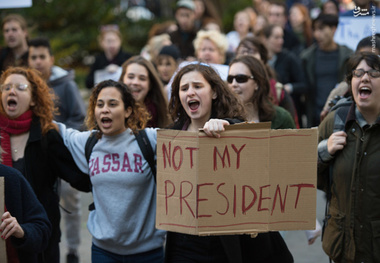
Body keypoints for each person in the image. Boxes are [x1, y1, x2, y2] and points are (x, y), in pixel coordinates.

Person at [165, 62, 294, 263]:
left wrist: (228, 129)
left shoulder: (233, 129)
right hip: (184, 246)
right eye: (184, 88)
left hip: (225, 246)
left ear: (214, 92)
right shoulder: (171, 138)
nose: (190, 92)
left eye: (197, 87)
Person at [0, 67, 91, 263]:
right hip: (3, 241)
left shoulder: (46, 136)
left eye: (20, 87)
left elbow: (79, 179)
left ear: (33, 99)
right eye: (6, 87)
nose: (11, 91)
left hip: (41, 236)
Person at [317, 52, 380, 262]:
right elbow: (303, 176)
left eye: (373, 73)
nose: (364, 78)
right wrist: (324, 152)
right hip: (343, 248)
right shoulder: (335, 120)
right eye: (358, 73)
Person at [28, 37, 86, 263]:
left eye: (42, 57)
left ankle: (72, 249)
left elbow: (80, 118)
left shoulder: (66, 84)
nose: (38, 61)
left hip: (63, 154)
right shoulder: (25, 85)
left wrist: (57, 133)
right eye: (34, 57)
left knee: (71, 205)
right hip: (37, 158)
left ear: (51, 59)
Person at [301, 14, 353, 127]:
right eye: (314, 30)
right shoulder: (307, 57)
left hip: (341, 113)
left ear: (333, 29)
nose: (316, 34)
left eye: (321, 29)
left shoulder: (348, 55)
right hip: (315, 114)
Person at [235, 36, 299, 127]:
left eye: (251, 52)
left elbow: (293, 129)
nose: (246, 56)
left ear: (262, 59)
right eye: (242, 52)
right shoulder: (229, 86)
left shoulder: (277, 90)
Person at [320, 34, 380, 121]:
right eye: (362, 57)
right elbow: (325, 121)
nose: (365, 78)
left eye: (372, 59)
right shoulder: (340, 91)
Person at [258, 24, 307, 127]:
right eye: (276, 37)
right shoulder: (259, 61)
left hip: (289, 108)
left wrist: (289, 88)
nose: (281, 41)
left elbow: (304, 84)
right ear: (265, 39)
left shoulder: (289, 58)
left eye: (282, 37)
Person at [228, 55, 295, 129]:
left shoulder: (281, 117)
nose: (233, 84)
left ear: (257, 83)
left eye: (241, 78)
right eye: (230, 79)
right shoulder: (222, 117)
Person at [119, 55, 170, 128]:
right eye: (131, 77)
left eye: (142, 78)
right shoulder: (110, 113)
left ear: (150, 85)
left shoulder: (162, 116)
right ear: (122, 80)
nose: (135, 82)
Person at [85, 24, 132, 89]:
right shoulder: (98, 60)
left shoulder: (128, 58)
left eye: (114, 41)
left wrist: (119, 70)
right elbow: (88, 83)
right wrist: (104, 71)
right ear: (102, 42)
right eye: (108, 41)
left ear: (120, 41)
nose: (112, 45)